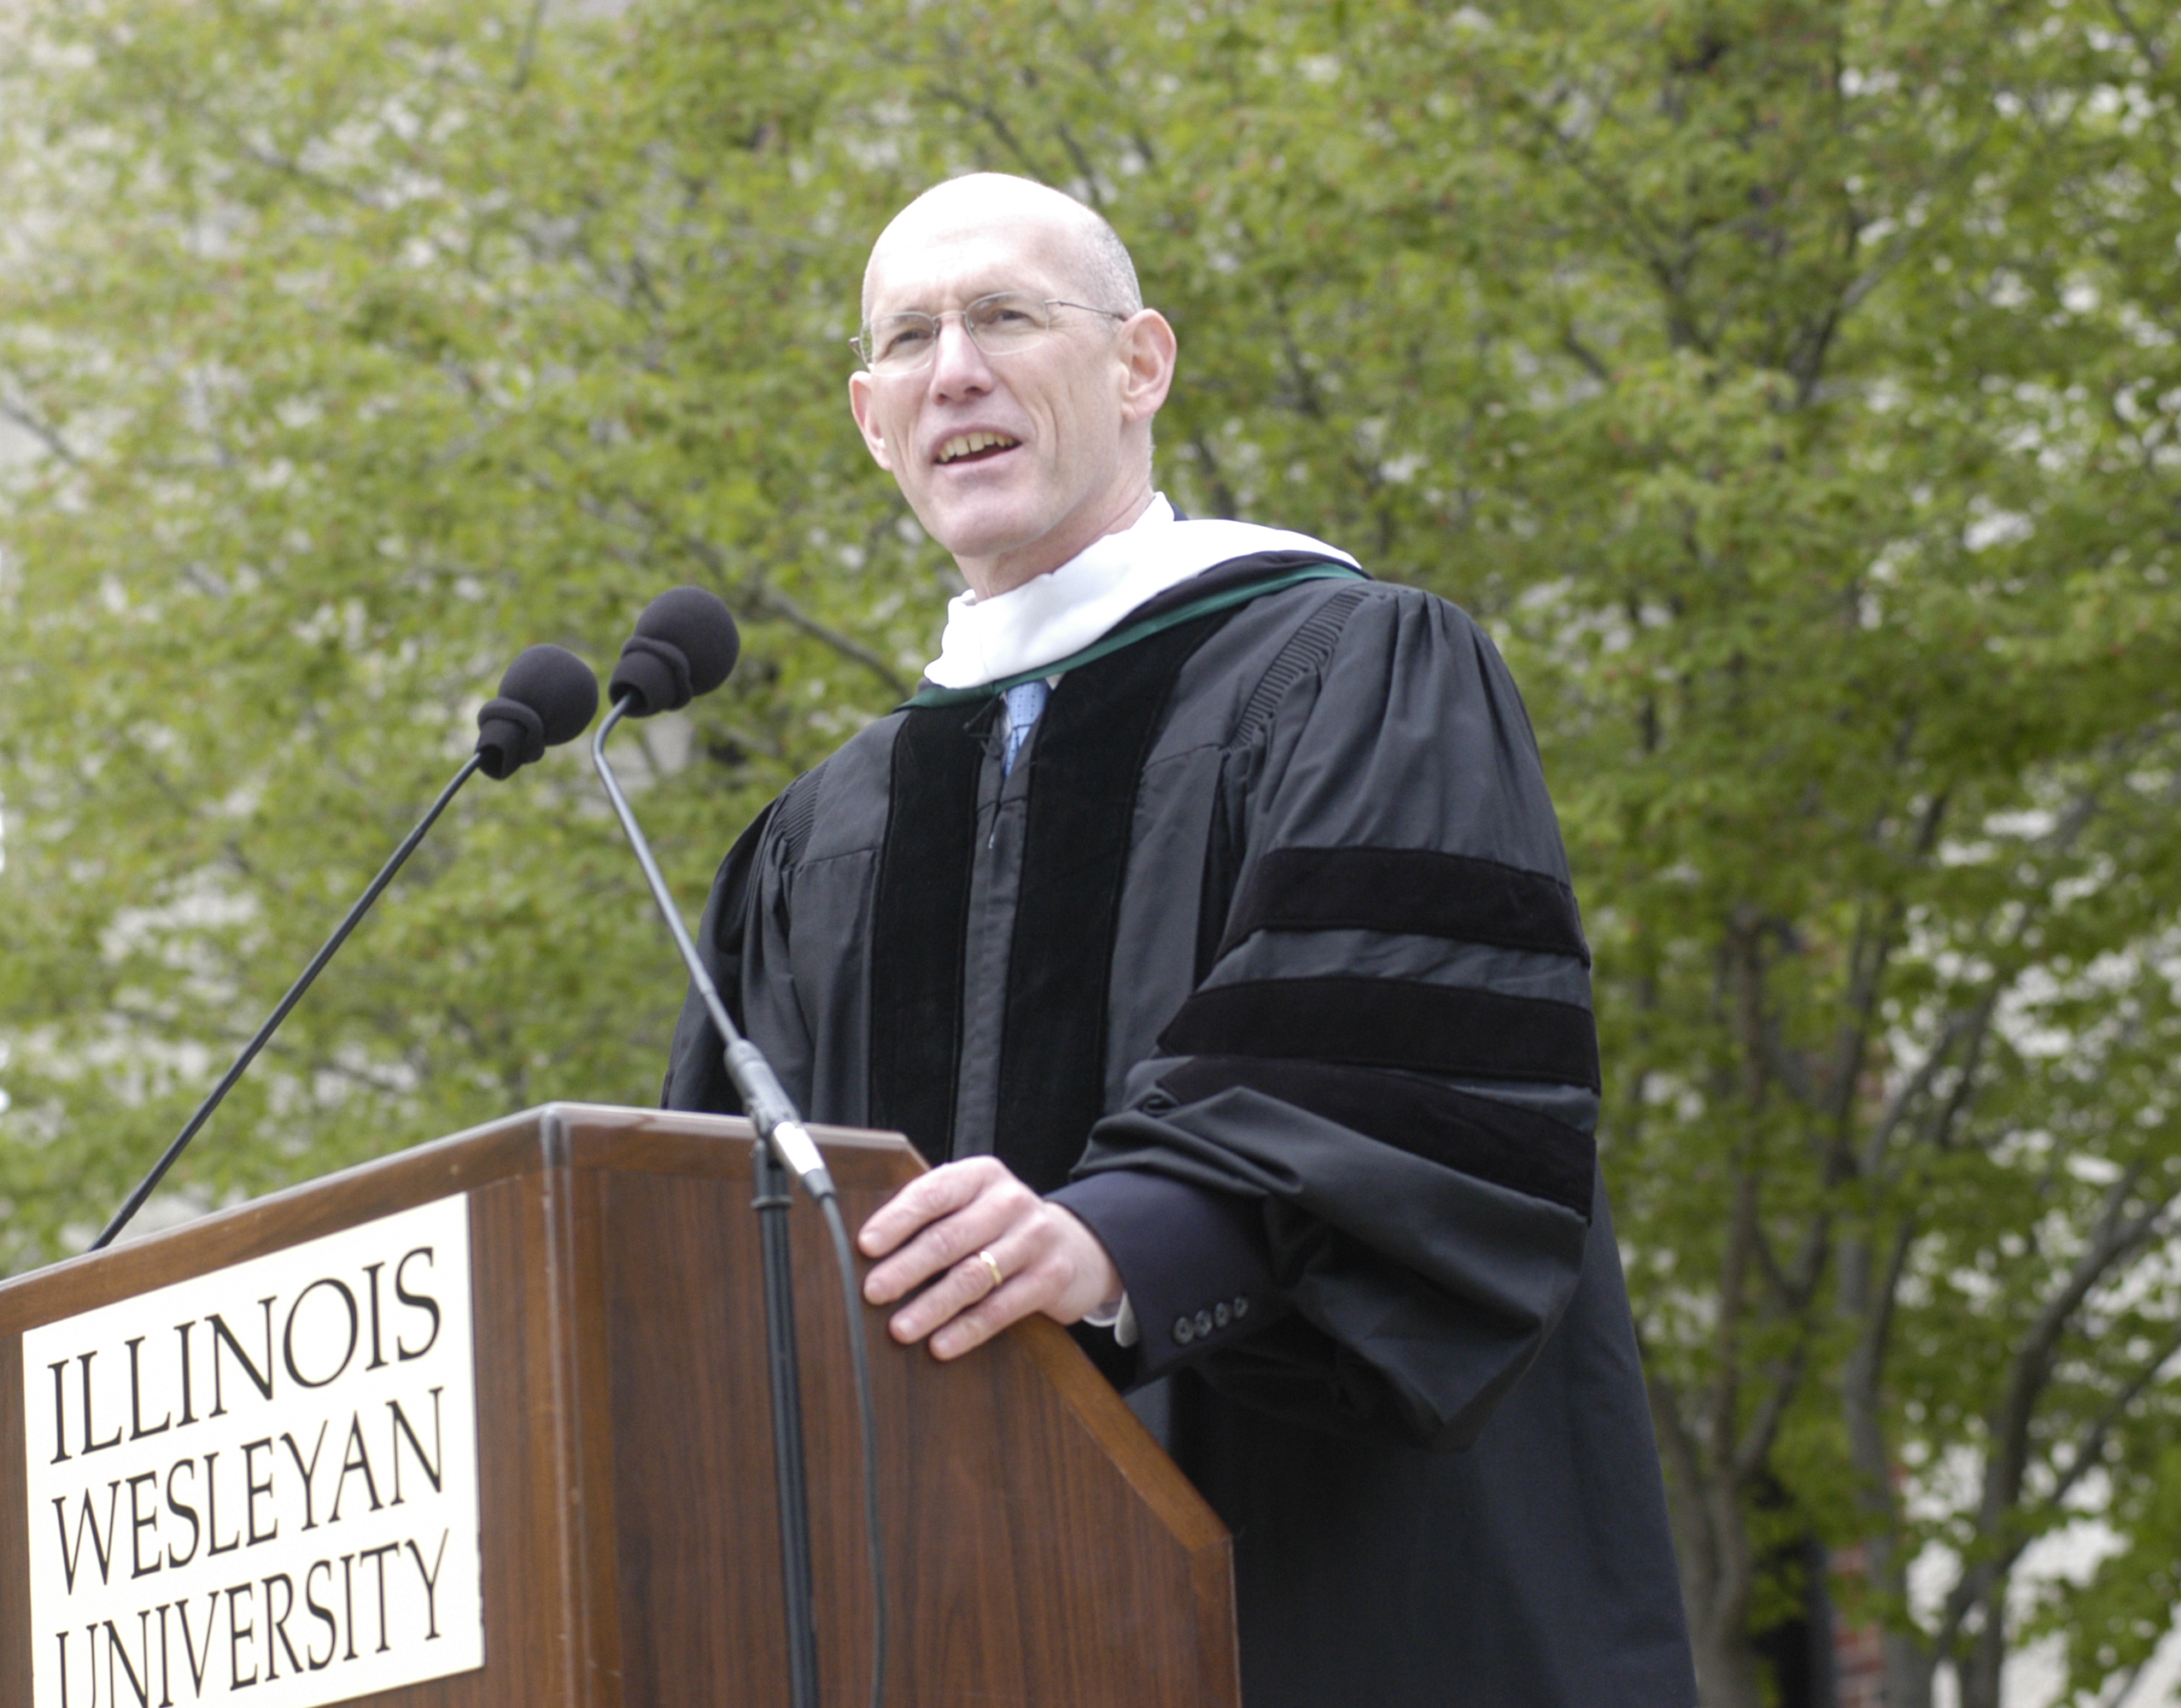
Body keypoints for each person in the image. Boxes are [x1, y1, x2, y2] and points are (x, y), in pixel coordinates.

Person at [665, 172, 1698, 1706]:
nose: (956, 367)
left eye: (1006, 315)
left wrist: (1122, 1241)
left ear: (1140, 363)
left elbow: (1412, 1067)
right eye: (910, 339)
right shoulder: (825, 840)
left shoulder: (1360, 668)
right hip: (943, 1634)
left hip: (1327, 1596)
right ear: (874, 420)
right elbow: (723, 1268)